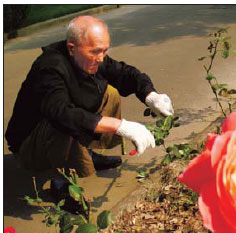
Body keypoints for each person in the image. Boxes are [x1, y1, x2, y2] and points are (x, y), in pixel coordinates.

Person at [5, 16, 174, 185]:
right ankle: (61, 181)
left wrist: (151, 96)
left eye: (104, 51)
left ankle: (87, 155)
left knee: (110, 93)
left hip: (56, 127)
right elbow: (61, 113)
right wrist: (120, 126)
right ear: (72, 48)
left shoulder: (92, 58)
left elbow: (126, 73)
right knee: (63, 120)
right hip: (31, 146)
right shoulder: (49, 68)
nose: (101, 58)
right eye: (95, 52)